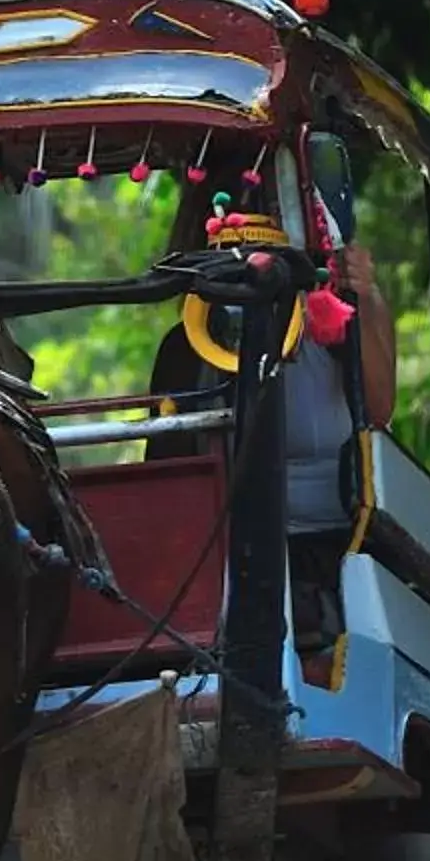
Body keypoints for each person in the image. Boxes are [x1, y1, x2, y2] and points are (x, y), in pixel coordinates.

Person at [145, 152, 399, 663]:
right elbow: (166, 475)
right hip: (228, 563)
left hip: (333, 553)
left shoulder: (338, 322)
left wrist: (365, 297)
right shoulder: (184, 346)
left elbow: (379, 408)